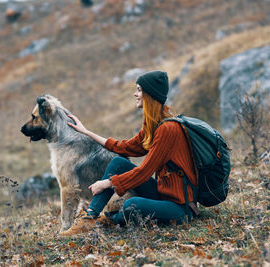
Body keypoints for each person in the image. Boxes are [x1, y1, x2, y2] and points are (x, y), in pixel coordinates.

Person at [60, 70, 197, 236]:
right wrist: (86, 132)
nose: (135, 94)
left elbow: (144, 172)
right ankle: (89, 219)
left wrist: (107, 183)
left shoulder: (168, 129)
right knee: (119, 163)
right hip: (163, 195)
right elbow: (125, 147)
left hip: (179, 207)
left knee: (132, 205)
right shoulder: (153, 125)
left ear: (150, 94)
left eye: (139, 90)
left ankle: (109, 220)